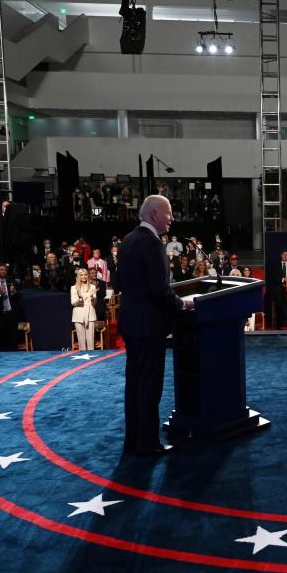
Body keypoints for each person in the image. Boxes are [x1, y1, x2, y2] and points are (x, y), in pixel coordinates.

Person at [117, 194, 195, 456]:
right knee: (150, 385)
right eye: (169, 213)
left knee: (135, 384)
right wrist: (183, 304)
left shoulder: (128, 241)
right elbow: (159, 291)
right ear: (154, 215)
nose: (172, 218)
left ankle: (134, 440)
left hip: (130, 324)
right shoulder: (152, 244)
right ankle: (148, 444)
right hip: (149, 327)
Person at [71, 268, 98, 350]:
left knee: (90, 341)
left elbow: (95, 302)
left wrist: (93, 299)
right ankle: (83, 360)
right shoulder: (74, 288)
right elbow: (72, 302)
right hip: (78, 315)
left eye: (85, 274)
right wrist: (78, 301)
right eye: (81, 275)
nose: (84, 276)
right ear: (78, 276)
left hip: (90, 314)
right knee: (81, 342)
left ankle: (92, 360)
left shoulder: (93, 287)